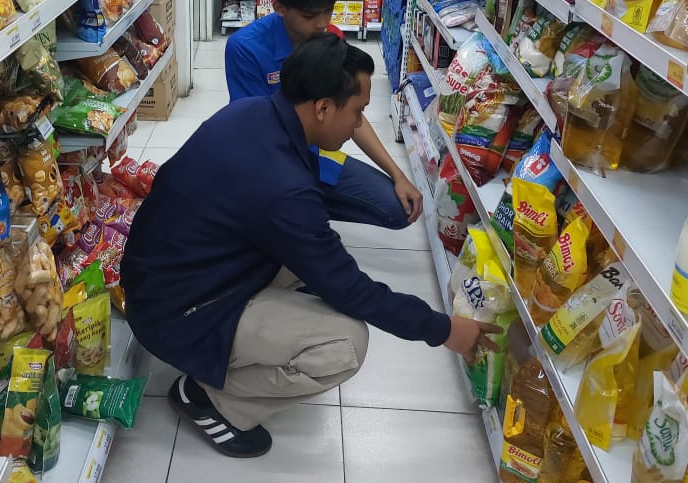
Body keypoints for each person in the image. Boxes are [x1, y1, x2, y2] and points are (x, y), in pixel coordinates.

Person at [121, 35, 499, 458]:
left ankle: (246, 340)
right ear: (322, 108)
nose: (358, 124)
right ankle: (209, 399)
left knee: (316, 267)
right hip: (176, 312)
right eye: (356, 112)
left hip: (166, 276)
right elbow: (350, 289)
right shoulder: (283, 188)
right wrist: (443, 330)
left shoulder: (252, 113)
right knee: (345, 344)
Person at [224, 0, 423, 230]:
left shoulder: (331, 39)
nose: (321, 23)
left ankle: (307, 203)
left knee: (398, 210)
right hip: (266, 163)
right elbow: (254, 135)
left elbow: (350, 114)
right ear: (278, 6)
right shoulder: (245, 48)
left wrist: (397, 174)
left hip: (315, 154)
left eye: (328, 11)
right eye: (309, 15)